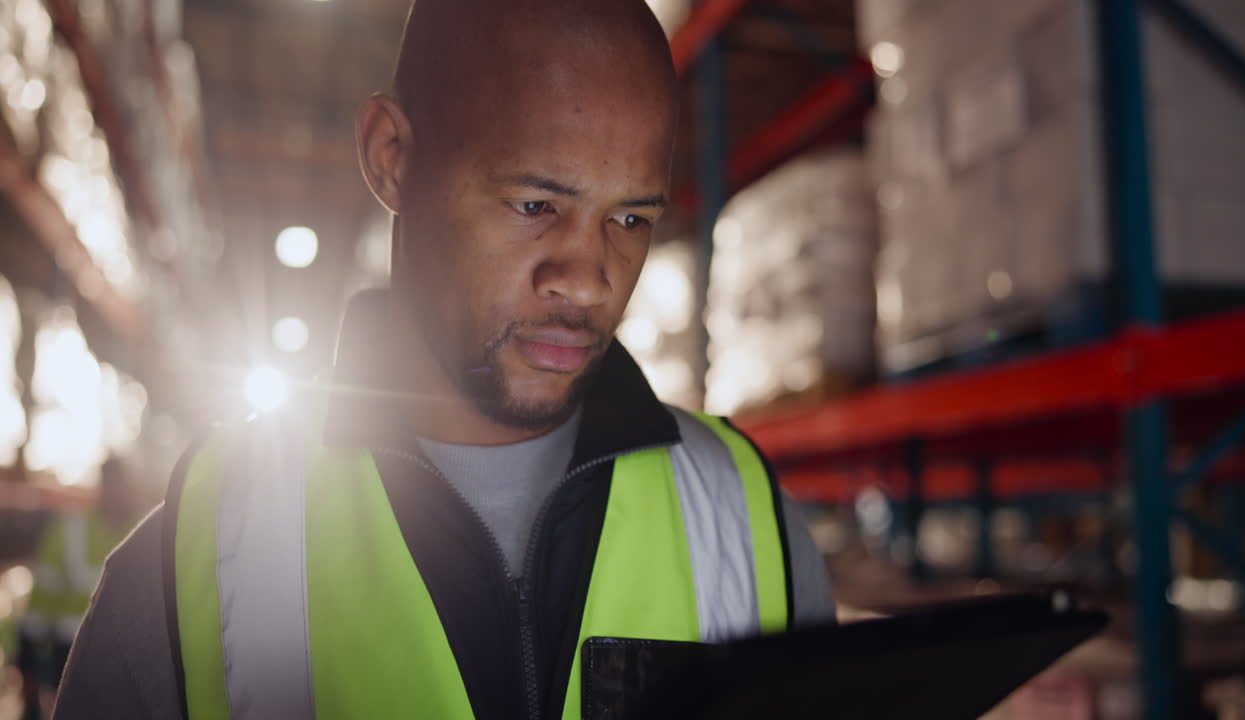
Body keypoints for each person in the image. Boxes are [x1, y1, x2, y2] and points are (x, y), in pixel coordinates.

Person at [53, 1, 834, 718]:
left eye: (630, 217)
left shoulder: (743, 516)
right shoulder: (196, 561)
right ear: (391, 156)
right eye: (535, 206)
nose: (588, 278)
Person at [17, 460, 137, 719]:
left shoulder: (148, 532)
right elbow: (42, 597)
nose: (118, 492)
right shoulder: (71, 529)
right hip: (72, 651)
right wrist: (28, 657)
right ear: (102, 485)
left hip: (128, 657)